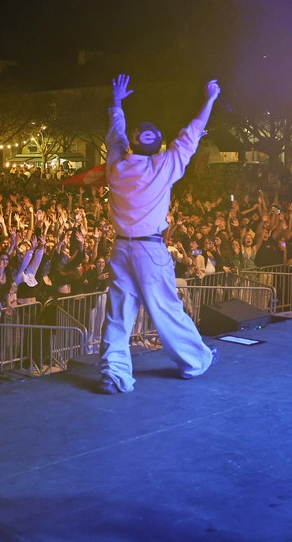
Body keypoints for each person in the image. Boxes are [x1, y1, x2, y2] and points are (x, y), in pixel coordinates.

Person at [98, 74, 219, 394]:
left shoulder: (116, 166)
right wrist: (209, 99)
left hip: (120, 249)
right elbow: (191, 133)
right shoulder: (163, 166)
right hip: (150, 250)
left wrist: (117, 102)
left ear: (132, 143)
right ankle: (195, 361)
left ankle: (114, 374)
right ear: (158, 146)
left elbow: (115, 135)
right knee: (166, 308)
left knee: (118, 314)